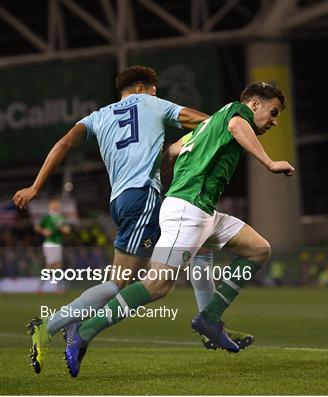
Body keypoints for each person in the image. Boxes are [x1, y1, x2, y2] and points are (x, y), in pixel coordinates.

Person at [13, 65, 251, 374]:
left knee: (200, 241)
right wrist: (236, 129)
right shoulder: (153, 103)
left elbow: (63, 144)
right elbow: (211, 122)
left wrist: (35, 187)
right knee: (123, 282)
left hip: (120, 200)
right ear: (143, 87)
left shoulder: (97, 116)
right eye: (155, 89)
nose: (156, 94)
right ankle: (52, 325)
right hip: (143, 199)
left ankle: (209, 325)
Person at [63, 82, 294, 377]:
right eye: (273, 113)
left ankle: (209, 318)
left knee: (259, 249)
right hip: (189, 210)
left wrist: (171, 178)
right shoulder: (237, 114)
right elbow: (238, 125)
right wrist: (269, 162)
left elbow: (172, 149)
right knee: (156, 285)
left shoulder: (209, 124)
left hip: (202, 210)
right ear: (255, 105)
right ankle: (82, 332)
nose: (274, 121)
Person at [35, 198, 71, 293]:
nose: (56, 206)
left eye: (57, 204)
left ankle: (43, 287)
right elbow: (37, 226)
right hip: (49, 243)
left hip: (58, 243)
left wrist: (63, 229)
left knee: (55, 265)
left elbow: (67, 229)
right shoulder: (47, 217)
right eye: (54, 204)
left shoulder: (60, 217)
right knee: (53, 264)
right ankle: (56, 287)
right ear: (50, 206)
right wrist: (44, 231)